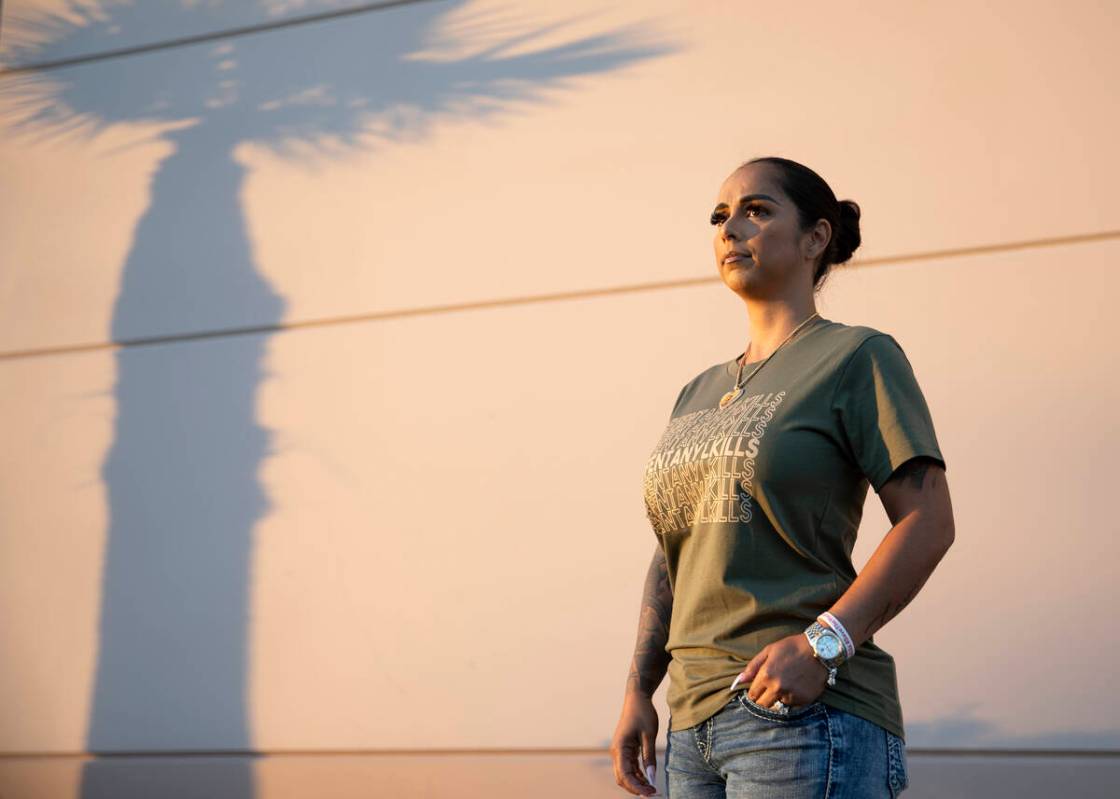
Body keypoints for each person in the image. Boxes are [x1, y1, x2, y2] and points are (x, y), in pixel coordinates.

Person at [609, 156, 955, 798]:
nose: (730, 228)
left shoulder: (856, 356)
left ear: (815, 238)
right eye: (719, 216)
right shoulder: (697, 390)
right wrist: (639, 690)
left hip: (802, 715)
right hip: (690, 727)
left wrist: (824, 646)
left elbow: (929, 520)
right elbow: (675, 551)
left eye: (757, 210)